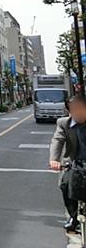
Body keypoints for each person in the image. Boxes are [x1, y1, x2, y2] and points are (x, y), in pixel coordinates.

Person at [49, 95, 86, 232]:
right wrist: (54, 159)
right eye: (74, 110)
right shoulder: (64, 123)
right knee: (65, 185)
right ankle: (73, 217)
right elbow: (57, 140)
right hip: (74, 163)